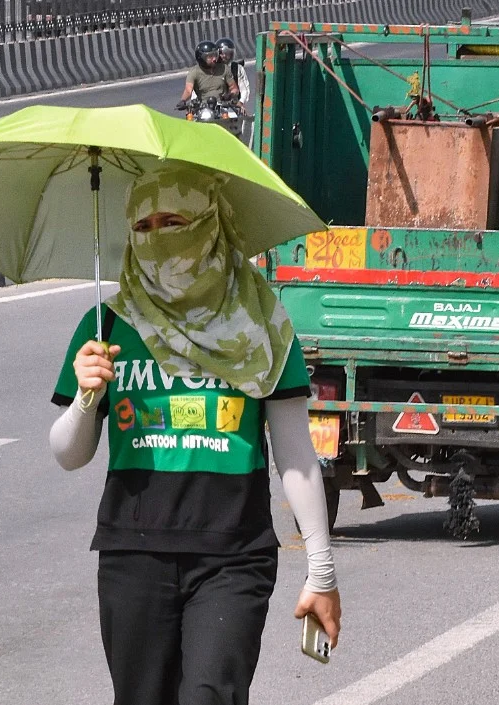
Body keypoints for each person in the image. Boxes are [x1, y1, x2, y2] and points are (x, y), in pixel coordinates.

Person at [49, 164, 341, 705]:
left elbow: (296, 456)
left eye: (174, 222)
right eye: (144, 226)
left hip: (233, 556)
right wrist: (87, 398)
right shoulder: (106, 327)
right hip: (133, 555)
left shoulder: (262, 325)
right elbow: (69, 454)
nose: (157, 237)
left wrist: (321, 572)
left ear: (209, 224)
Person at [177, 40, 238, 110]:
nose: (214, 59)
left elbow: (234, 89)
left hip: (222, 106)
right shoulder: (194, 72)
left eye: (215, 55)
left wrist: (230, 95)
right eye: (210, 56)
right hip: (202, 108)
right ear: (201, 57)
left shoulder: (224, 68)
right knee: (190, 115)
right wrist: (183, 100)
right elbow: (188, 90)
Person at [216, 37, 250, 111]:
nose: (224, 56)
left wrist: (241, 102)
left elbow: (245, 89)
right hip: (215, 106)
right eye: (222, 53)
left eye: (227, 53)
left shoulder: (237, 68)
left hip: (233, 105)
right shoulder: (211, 69)